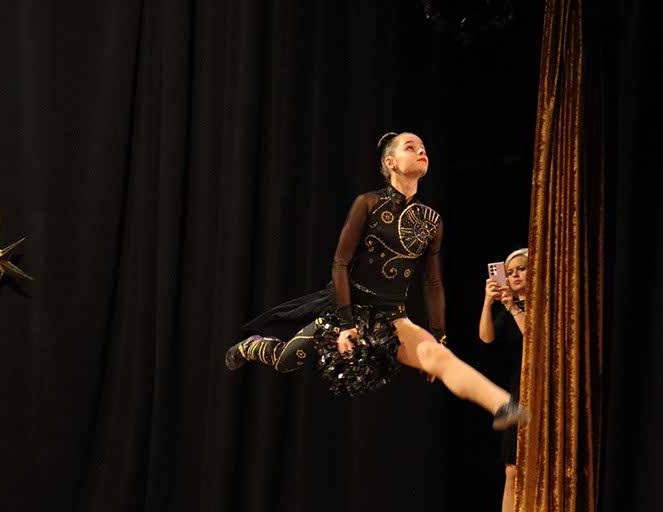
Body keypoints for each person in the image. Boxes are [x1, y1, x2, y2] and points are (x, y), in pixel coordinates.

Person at [225, 132, 530, 431]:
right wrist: (346, 323)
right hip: (347, 308)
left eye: (423, 147)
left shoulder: (431, 221)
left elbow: (432, 283)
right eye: (410, 147)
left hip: (392, 317)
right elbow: (340, 263)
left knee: (440, 357)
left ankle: (503, 405)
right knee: (287, 360)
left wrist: (439, 335)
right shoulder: (369, 203)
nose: (421, 151)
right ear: (391, 162)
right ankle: (252, 347)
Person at [478, 248, 528, 511]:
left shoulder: (541, 304)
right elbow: (486, 337)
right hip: (517, 389)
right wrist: (488, 303)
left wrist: (513, 307)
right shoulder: (507, 307)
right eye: (509, 272)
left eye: (521, 269)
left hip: (540, 388)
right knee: (512, 469)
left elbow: (534, 338)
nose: (515, 275)